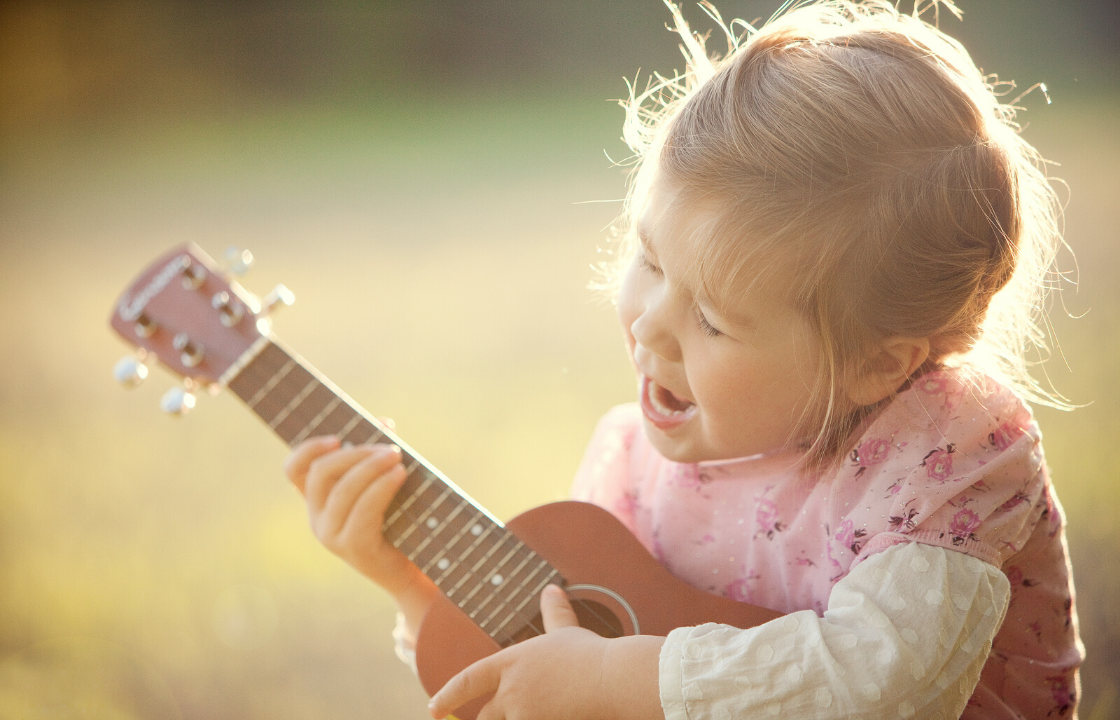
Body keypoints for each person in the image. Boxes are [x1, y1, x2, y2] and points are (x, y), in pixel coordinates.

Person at [282, 1, 1084, 717]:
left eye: (710, 319)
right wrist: (411, 586)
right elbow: (547, 672)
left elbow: (886, 684)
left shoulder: (947, 454)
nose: (649, 328)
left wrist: (617, 679)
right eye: (651, 263)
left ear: (877, 365)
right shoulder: (634, 460)